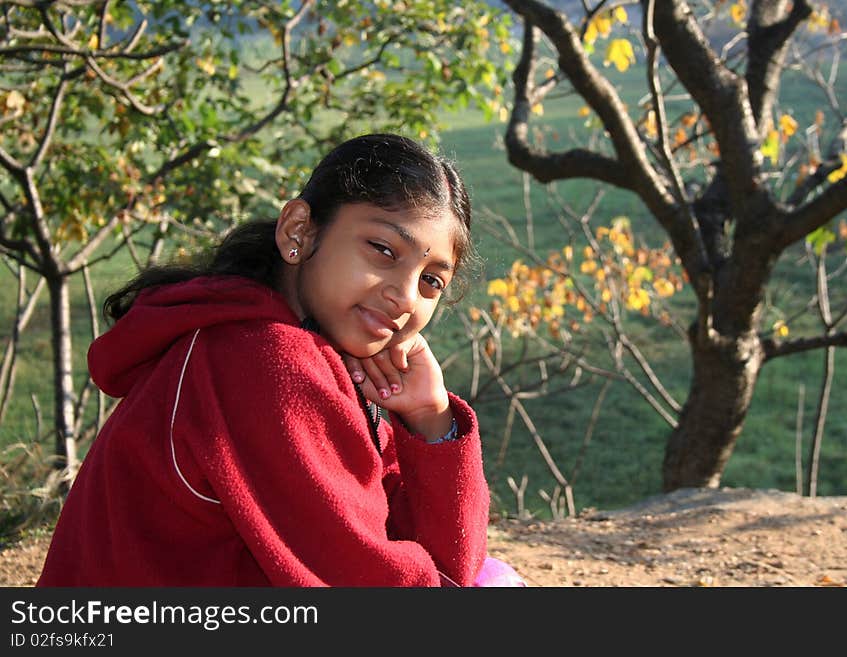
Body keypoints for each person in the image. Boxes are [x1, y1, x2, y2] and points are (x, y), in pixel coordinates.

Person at [36, 133, 525, 587]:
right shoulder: (262, 360)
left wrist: (431, 419)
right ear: (300, 231)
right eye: (382, 250)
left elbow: (449, 559)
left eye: (431, 281)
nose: (404, 297)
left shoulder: (316, 349)